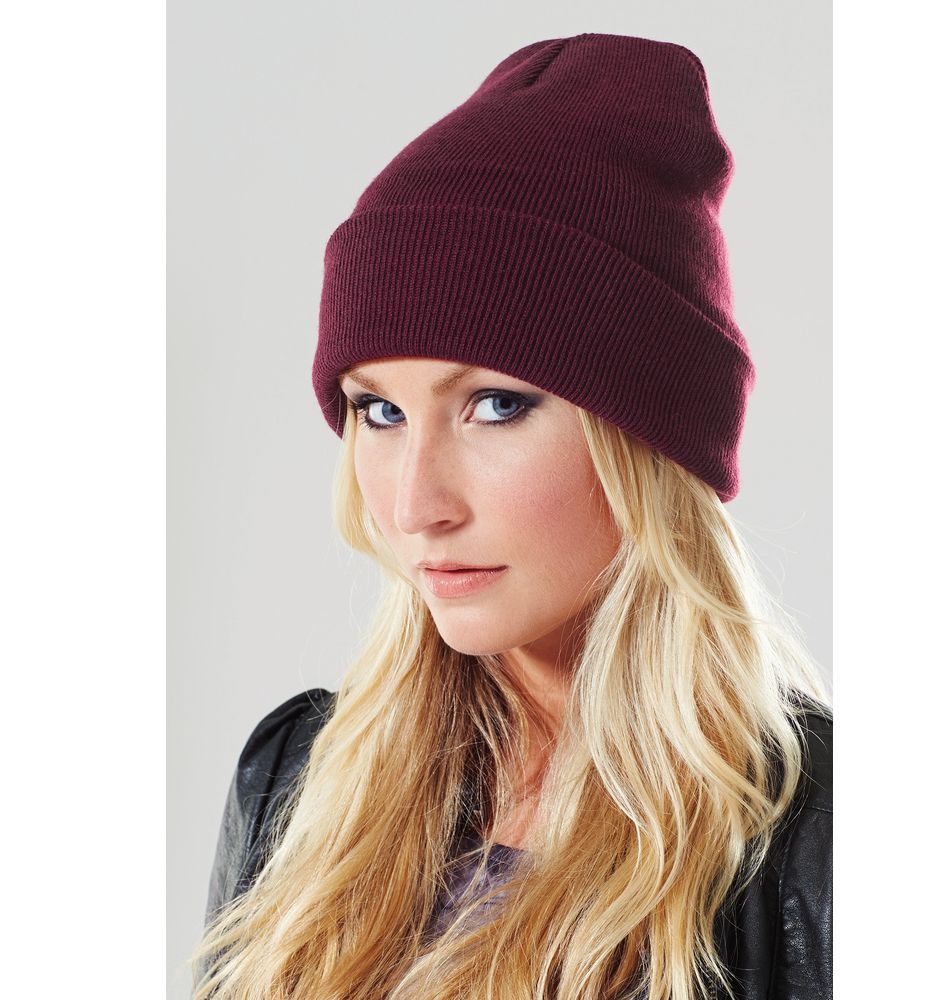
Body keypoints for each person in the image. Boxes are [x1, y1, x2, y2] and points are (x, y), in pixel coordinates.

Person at [190, 32, 832, 1000]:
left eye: (495, 405)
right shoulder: (297, 781)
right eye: (379, 411)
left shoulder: (823, 838)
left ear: (647, 442)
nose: (415, 505)